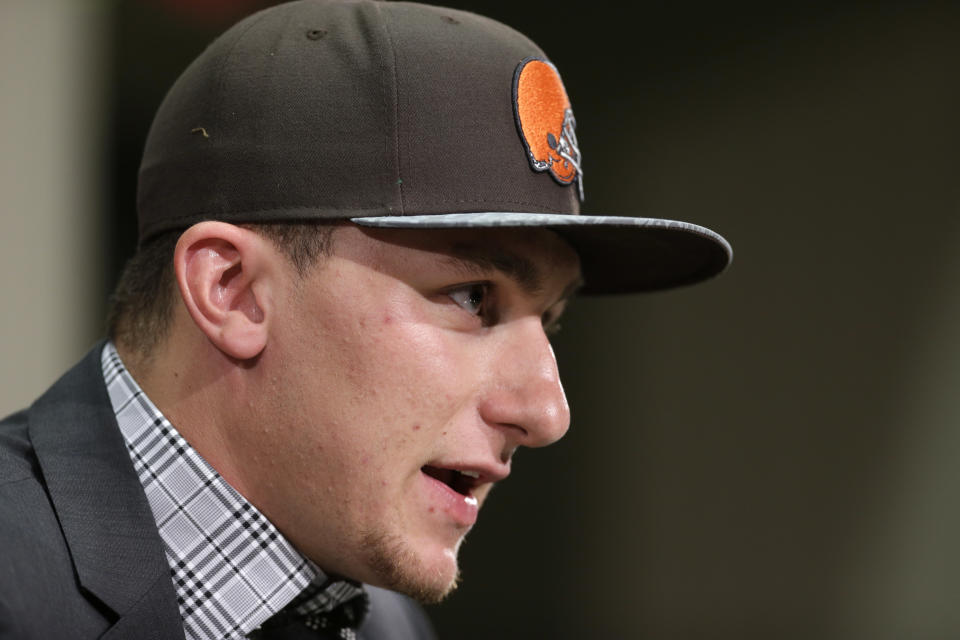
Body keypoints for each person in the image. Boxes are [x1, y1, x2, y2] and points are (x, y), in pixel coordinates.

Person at [0, 0, 732, 638]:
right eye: (473, 297)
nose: (547, 411)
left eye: (552, 320)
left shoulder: (380, 617)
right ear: (231, 289)